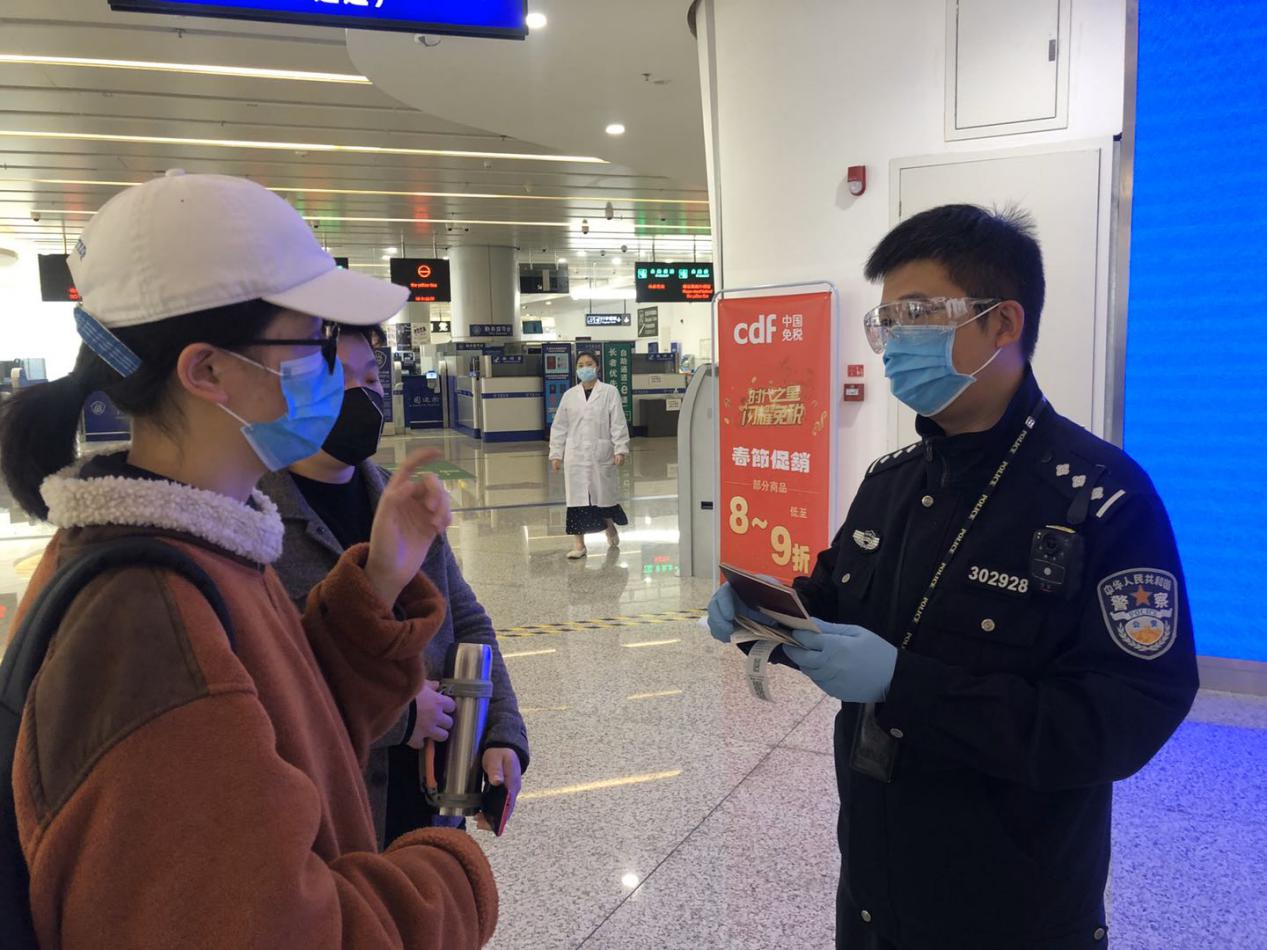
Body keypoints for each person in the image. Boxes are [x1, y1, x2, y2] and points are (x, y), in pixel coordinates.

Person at [0, 172, 497, 948]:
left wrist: (378, 585)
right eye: (316, 340)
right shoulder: (144, 624)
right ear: (207, 371)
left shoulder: (206, 543)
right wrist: (451, 875)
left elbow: (272, 733)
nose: (340, 368)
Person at [706, 205, 1199, 950]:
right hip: (873, 886)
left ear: (1003, 324)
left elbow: (1121, 720)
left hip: (1013, 902)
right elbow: (833, 596)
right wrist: (763, 613)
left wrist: (904, 683)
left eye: (918, 314)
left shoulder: (1101, 498)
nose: (896, 342)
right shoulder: (893, 481)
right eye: (886, 321)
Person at [260, 325, 529, 848]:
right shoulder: (256, 520)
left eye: (371, 377)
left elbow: (467, 621)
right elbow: (273, 685)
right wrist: (399, 716)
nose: (363, 394)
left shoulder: (401, 498)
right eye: (339, 378)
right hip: (335, 819)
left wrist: (502, 732)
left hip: (432, 800)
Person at [548, 352, 631, 559]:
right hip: (575, 455)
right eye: (580, 365)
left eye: (589, 364)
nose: (585, 368)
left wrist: (620, 448)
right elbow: (559, 426)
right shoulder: (569, 395)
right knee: (577, 500)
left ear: (597, 367)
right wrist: (556, 454)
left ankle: (609, 526)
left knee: (602, 497)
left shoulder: (609, 392)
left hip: (600, 453)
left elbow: (618, 422)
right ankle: (579, 545)